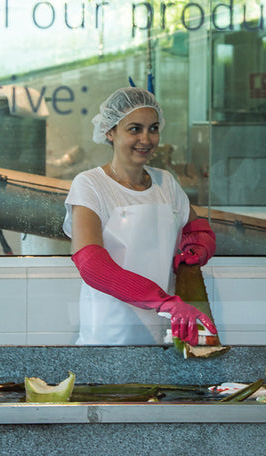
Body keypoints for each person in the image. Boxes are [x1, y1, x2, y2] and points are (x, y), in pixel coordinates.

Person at [64, 87, 218, 346]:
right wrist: (163, 301)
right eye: (134, 129)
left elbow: (198, 230)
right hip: (107, 337)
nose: (146, 139)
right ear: (110, 132)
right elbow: (92, 265)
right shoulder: (90, 185)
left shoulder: (166, 183)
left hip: (162, 335)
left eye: (153, 128)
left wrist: (196, 252)